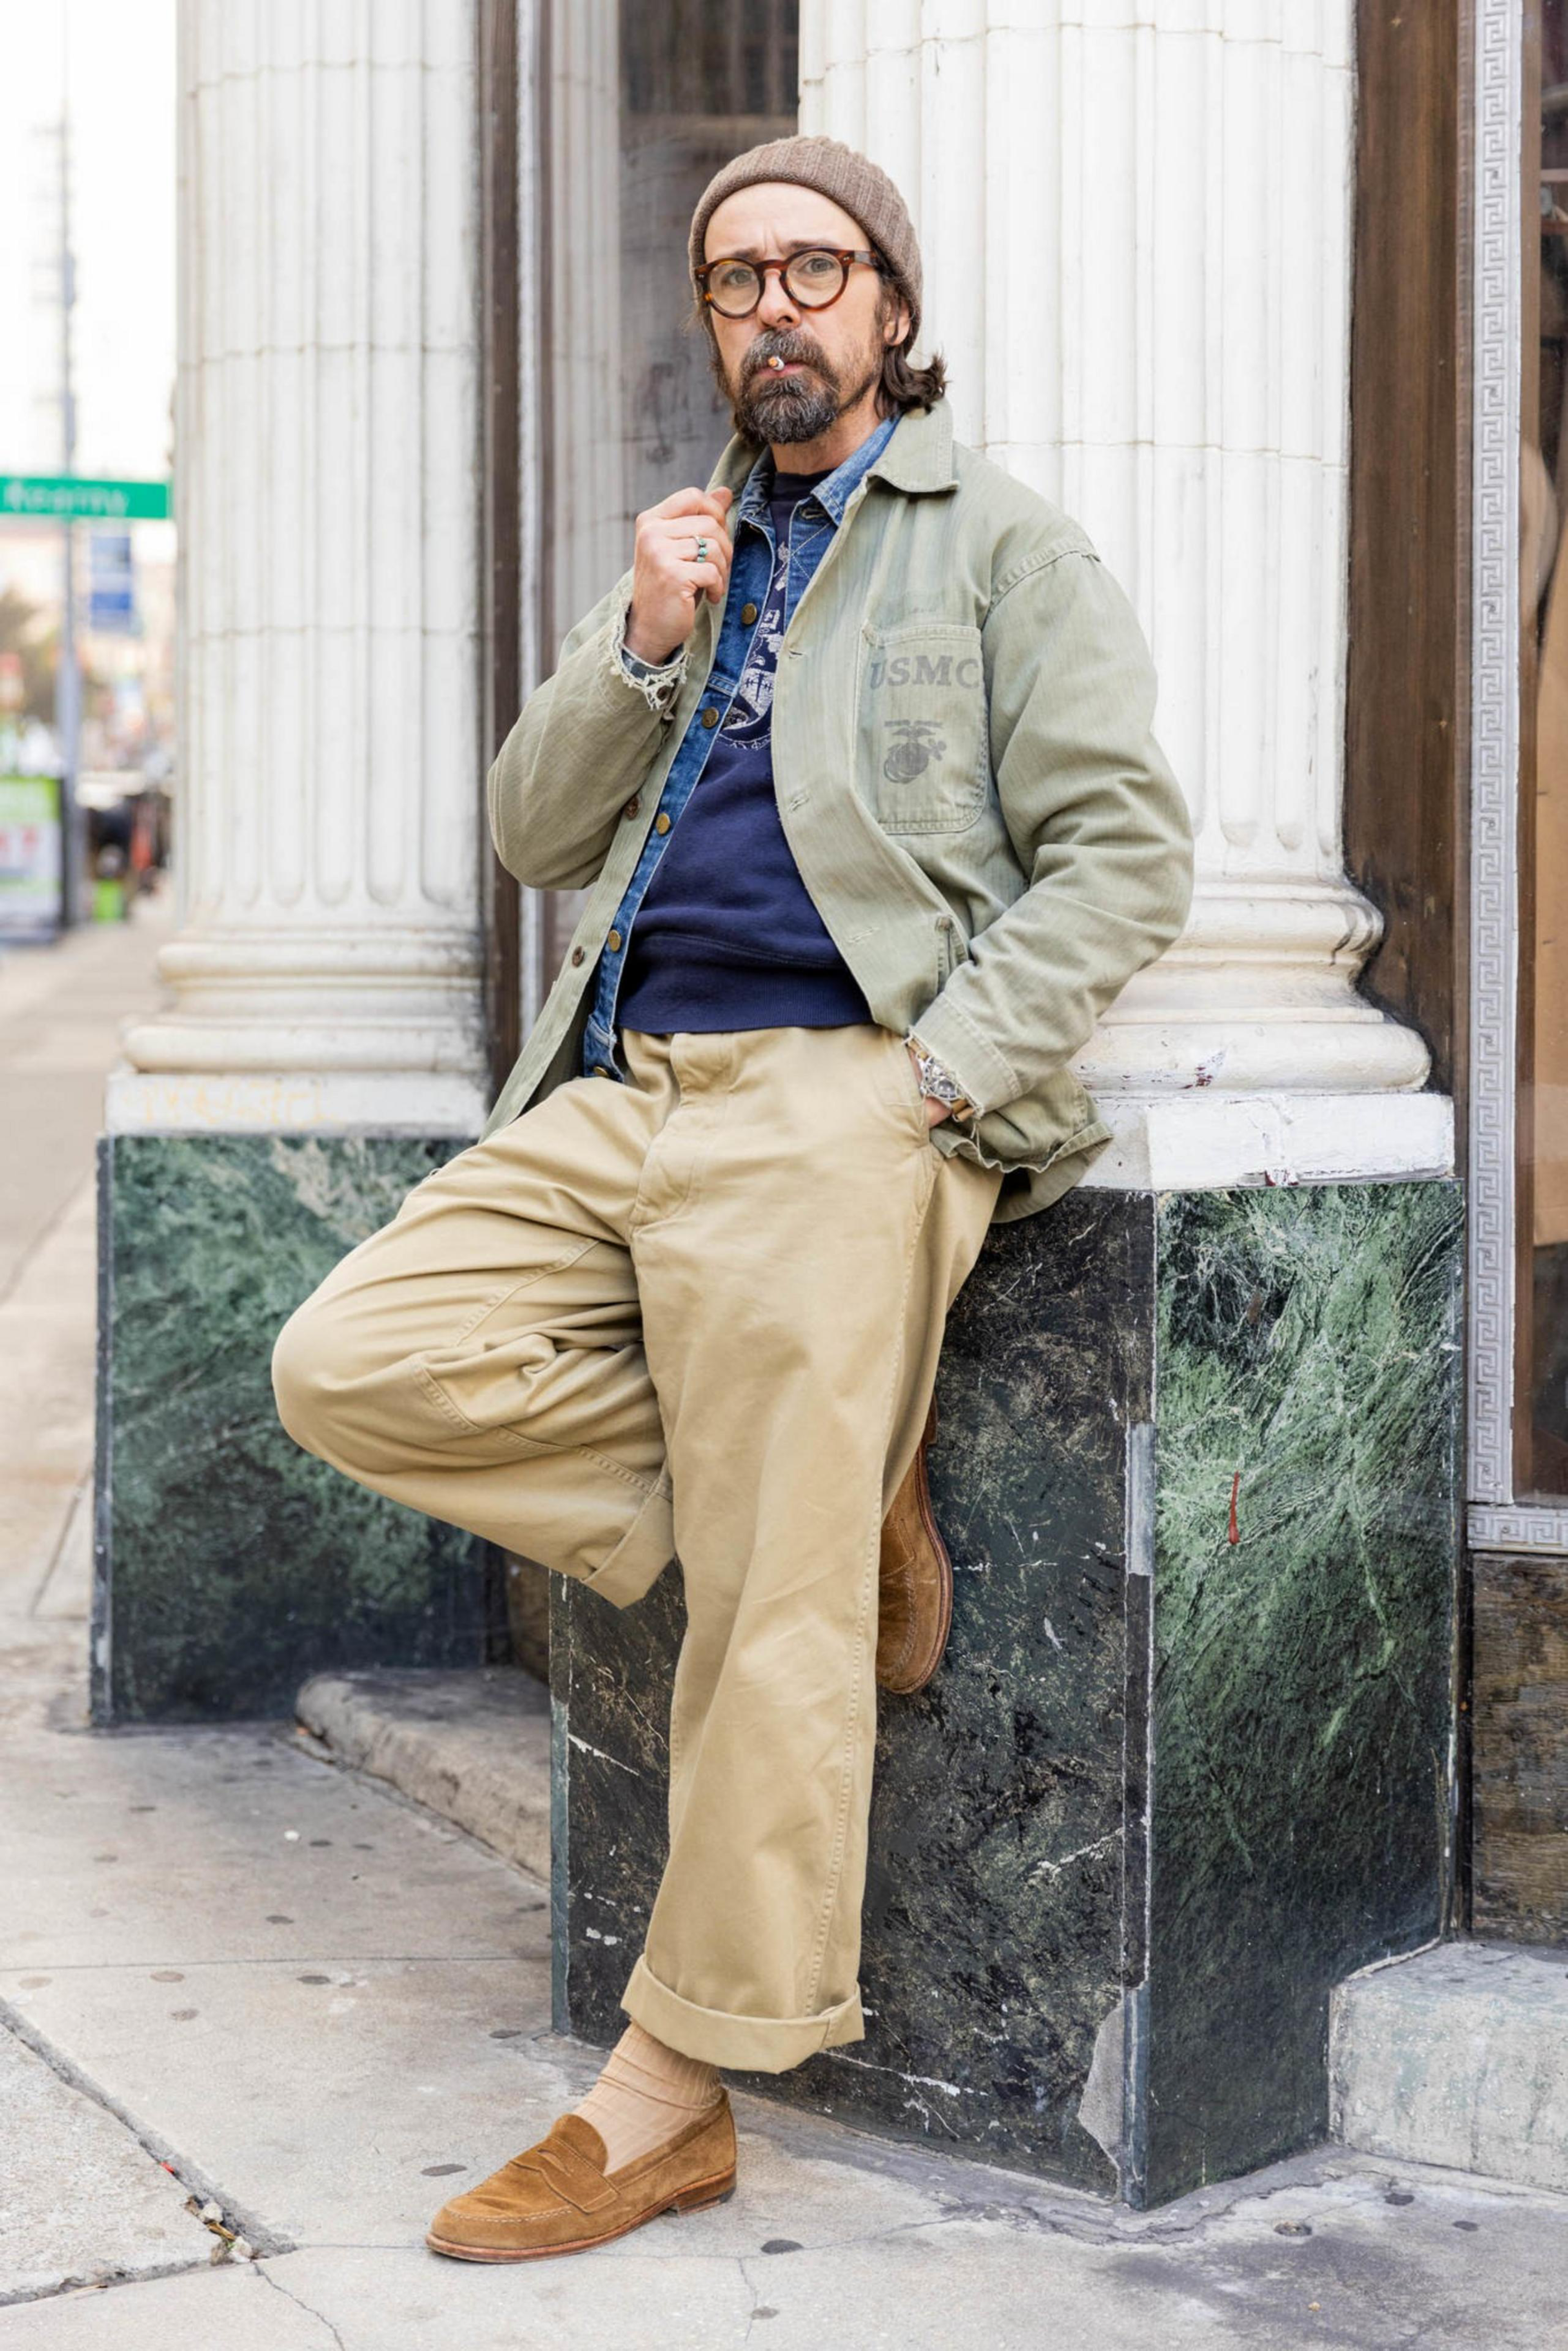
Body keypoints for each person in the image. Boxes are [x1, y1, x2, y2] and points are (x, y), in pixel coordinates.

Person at [271, 134, 1193, 2263]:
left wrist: (940, 1076)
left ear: (891, 307)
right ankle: (815, 1496)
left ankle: (672, 2087)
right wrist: (636, 637)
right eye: (733, 280)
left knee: (762, 1635)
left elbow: (1127, 851)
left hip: (839, 1099)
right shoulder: (692, 554)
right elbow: (527, 829)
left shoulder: (996, 551)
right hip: (621, 1086)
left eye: (812, 269)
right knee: (352, 1359)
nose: (770, 308)